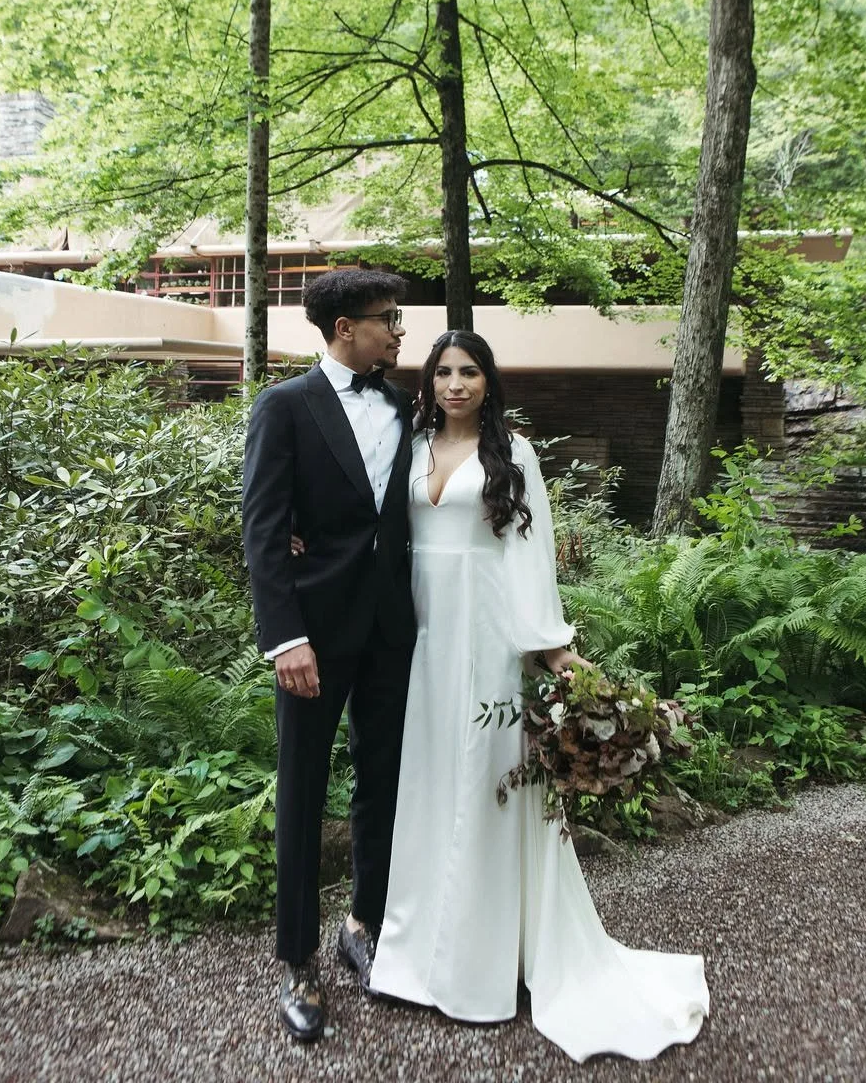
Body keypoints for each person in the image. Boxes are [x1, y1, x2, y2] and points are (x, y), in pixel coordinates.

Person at [366, 330, 710, 1063]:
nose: (456, 384)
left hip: (489, 641)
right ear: (427, 383)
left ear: (489, 382)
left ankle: (480, 966)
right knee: (428, 786)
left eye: (470, 372)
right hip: (424, 643)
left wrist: (550, 646)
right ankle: (417, 955)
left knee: (486, 787)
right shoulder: (411, 445)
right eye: (444, 373)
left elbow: (530, 552)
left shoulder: (512, 453)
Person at [242, 268, 416, 1043]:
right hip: (312, 635)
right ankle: (297, 963)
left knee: (384, 782)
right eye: (388, 320)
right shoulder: (283, 408)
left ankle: (363, 925)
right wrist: (286, 637)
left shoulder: (405, 406)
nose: (398, 332)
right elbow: (263, 527)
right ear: (346, 327)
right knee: (303, 791)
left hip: (394, 630)